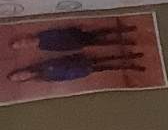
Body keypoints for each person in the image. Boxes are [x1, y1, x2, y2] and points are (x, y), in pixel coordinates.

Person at [9, 53, 146, 83]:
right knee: (107, 67)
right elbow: (63, 78)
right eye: (20, 78)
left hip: (79, 61)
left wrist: (78, 58)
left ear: (20, 71)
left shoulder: (40, 64)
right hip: (79, 70)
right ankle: (130, 67)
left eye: (19, 74)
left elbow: (60, 59)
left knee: (107, 58)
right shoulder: (43, 78)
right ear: (23, 80)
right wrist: (80, 73)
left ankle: (129, 56)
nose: (22, 75)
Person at [11, 23, 136, 54]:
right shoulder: (42, 47)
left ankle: (124, 29)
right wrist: (76, 47)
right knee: (102, 42)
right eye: (21, 46)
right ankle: (125, 42)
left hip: (75, 34)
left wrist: (76, 29)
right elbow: (61, 49)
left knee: (102, 32)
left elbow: (59, 30)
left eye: (20, 42)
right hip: (76, 42)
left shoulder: (41, 34)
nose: (24, 43)